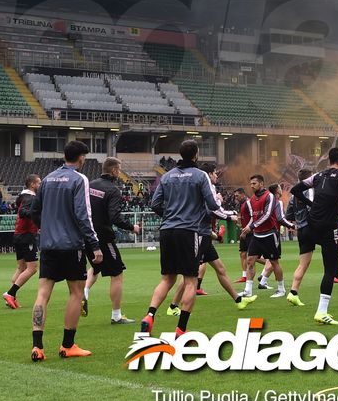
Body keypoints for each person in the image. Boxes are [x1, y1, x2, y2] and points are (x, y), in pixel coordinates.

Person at [141, 140, 225, 336]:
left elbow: (154, 204)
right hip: (189, 231)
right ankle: (181, 330)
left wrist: (170, 216)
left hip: (167, 230)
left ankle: (149, 315)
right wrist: (224, 209)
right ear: (195, 155)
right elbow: (212, 205)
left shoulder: (167, 176)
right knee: (190, 280)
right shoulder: (200, 175)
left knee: (167, 278)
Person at [29, 141, 103, 361]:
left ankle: (37, 347)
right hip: (72, 246)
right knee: (76, 292)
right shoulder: (79, 179)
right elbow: (84, 215)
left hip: (49, 245)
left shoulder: (48, 179)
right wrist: (95, 245)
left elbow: (34, 212)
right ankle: (67, 345)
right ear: (81, 158)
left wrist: (47, 228)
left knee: (43, 294)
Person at [288, 147, 338, 325]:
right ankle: (322, 311)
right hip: (327, 227)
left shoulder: (317, 176)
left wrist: (311, 203)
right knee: (330, 270)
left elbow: (295, 189)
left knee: (307, 262)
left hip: (309, 225)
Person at [167, 161, 256, 315]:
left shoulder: (201, 185)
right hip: (199, 235)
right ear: (208, 174)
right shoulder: (206, 186)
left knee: (220, 269)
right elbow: (213, 209)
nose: (216, 176)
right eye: (214, 173)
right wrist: (230, 216)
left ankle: (239, 300)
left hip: (204, 234)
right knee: (190, 274)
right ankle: (173, 306)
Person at [84, 158, 141, 324]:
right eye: (119, 170)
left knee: (95, 266)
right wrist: (132, 227)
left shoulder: (90, 185)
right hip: (103, 236)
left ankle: (85, 292)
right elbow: (114, 217)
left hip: (87, 235)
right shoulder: (113, 190)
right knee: (117, 273)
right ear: (115, 171)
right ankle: (116, 316)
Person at [4, 175, 41, 309]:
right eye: (39, 183)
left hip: (19, 235)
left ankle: (11, 297)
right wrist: (36, 215)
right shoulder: (30, 198)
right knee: (32, 268)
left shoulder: (23, 197)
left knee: (22, 268)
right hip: (27, 236)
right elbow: (24, 212)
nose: (40, 185)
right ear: (32, 184)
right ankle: (10, 293)